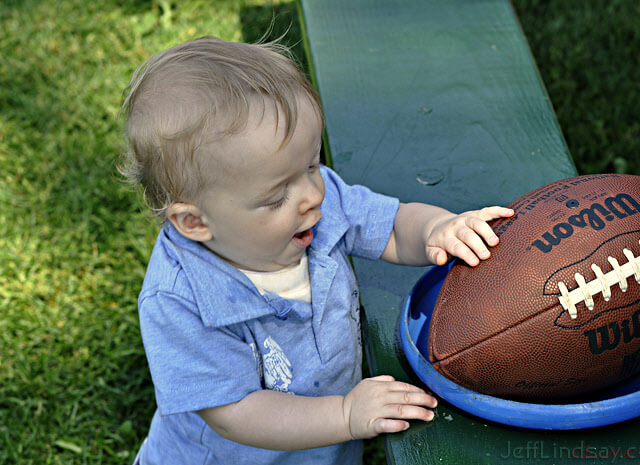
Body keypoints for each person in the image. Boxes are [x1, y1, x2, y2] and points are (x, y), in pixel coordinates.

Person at [120, 36, 514, 465]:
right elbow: (235, 412)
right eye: (275, 197)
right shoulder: (181, 300)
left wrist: (437, 228)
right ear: (195, 222)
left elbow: (394, 227)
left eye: (311, 164)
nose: (312, 195)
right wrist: (345, 414)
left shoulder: (313, 204)